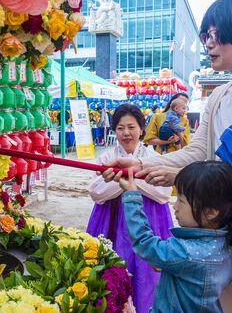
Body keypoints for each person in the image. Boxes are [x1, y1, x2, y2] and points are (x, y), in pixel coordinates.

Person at [102, 0, 232, 313]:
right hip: (221, 234)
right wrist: (141, 163)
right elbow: (199, 151)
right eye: (205, 37)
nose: (207, 44)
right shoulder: (219, 97)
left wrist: (182, 176)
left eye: (213, 35)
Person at [112, 161, 232, 312]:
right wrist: (176, 265)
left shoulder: (185, 253)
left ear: (211, 212)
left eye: (181, 200)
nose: (175, 205)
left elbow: (144, 243)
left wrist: (131, 196)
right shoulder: (229, 247)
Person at [87, 104, 174, 313]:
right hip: (110, 219)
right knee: (109, 271)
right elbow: (96, 192)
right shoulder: (106, 158)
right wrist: (136, 180)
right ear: (114, 130)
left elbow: (163, 193)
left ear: (141, 129)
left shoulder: (154, 157)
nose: (126, 133)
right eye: (120, 128)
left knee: (147, 276)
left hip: (150, 220)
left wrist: (124, 178)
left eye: (131, 127)